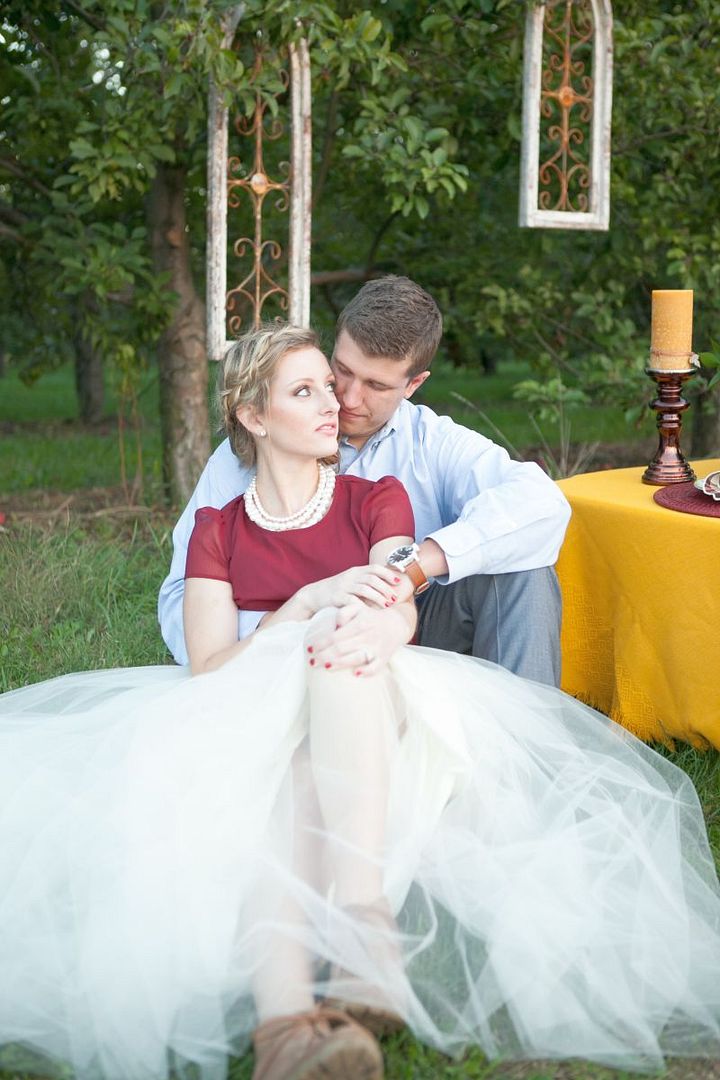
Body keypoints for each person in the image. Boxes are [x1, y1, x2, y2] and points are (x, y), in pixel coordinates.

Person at [1, 324, 720, 1080]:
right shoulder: (217, 527)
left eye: (329, 385)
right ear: (252, 415)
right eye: (306, 390)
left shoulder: (377, 498)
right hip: (258, 697)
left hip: (371, 680)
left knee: (341, 652)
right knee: (288, 779)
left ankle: (352, 938)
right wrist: (309, 599)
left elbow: (392, 594)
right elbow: (212, 665)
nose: (333, 404)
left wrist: (372, 618)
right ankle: (298, 1023)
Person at [159, 275, 571, 685]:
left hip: (410, 622)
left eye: (376, 385)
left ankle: (523, 739)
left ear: (414, 384)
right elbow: (181, 600)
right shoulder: (242, 455)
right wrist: (298, 621)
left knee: (524, 571)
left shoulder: (432, 444)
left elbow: (542, 504)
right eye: (342, 371)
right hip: (280, 641)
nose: (347, 399)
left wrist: (416, 566)